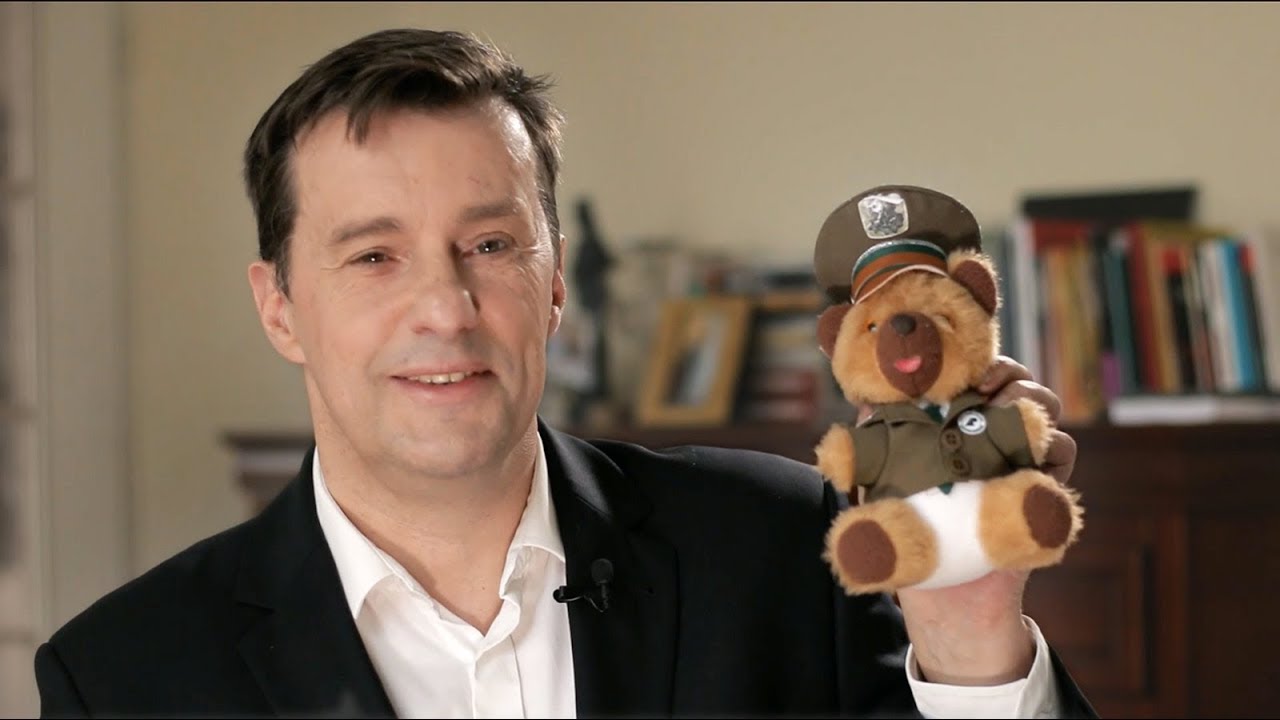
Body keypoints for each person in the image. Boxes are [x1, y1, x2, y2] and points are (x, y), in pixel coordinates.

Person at [32, 28, 1096, 719]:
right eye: (373, 257)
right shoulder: (122, 677)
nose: (446, 308)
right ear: (279, 308)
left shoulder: (785, 547)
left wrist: (971, 648)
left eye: (490, 245)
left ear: (552, 283)